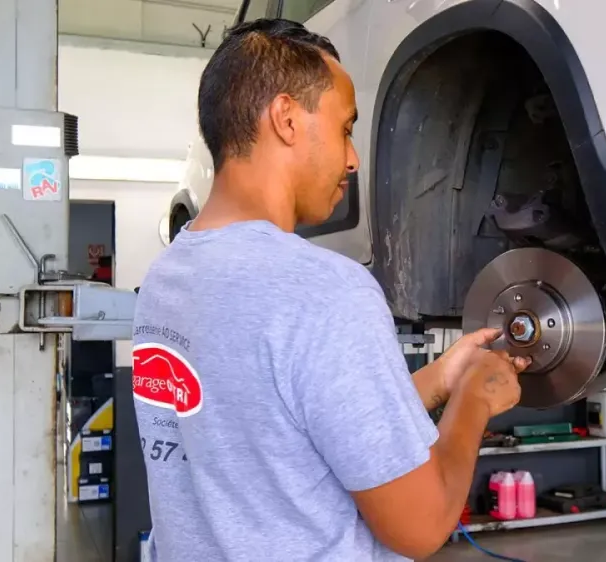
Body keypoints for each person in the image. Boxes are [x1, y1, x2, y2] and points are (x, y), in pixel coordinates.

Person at [131, 18, 528, 562]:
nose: (353, 159)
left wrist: (441, 378)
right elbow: (422, 523)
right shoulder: (324, 290)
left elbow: (286, 438)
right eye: (345, 129)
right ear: (287, 118)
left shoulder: (167, 280)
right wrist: (475, 401)